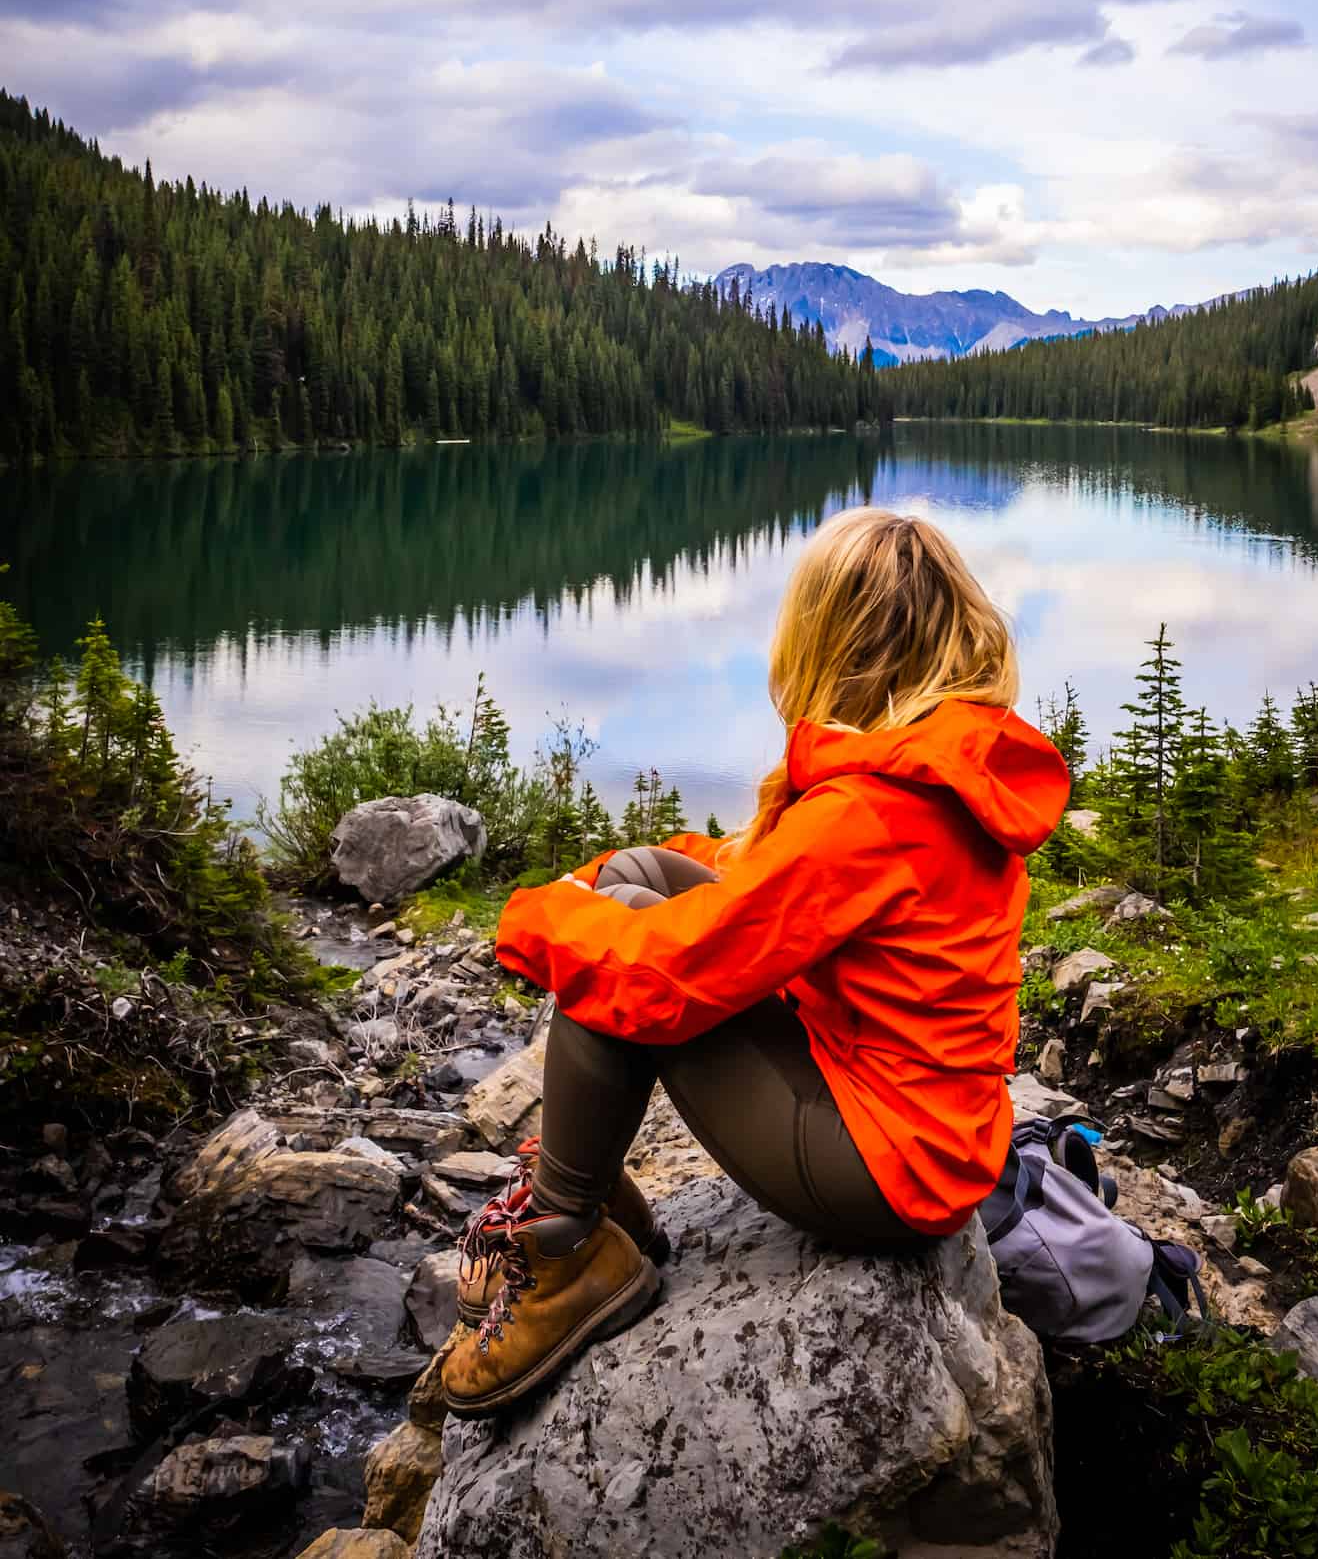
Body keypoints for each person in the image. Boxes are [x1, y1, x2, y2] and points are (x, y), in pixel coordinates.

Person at [440, 506, 1070, 1417]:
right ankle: (602, 1208)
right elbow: (767, 886)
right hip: (918, 1118)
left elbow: (662, 974)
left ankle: (564, 1252)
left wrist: (538, 920)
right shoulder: (939, 764)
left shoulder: (871, 814)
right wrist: (599, 891)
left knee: (616, 973)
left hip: (889, 1170)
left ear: (833, 642)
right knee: (637, 879)